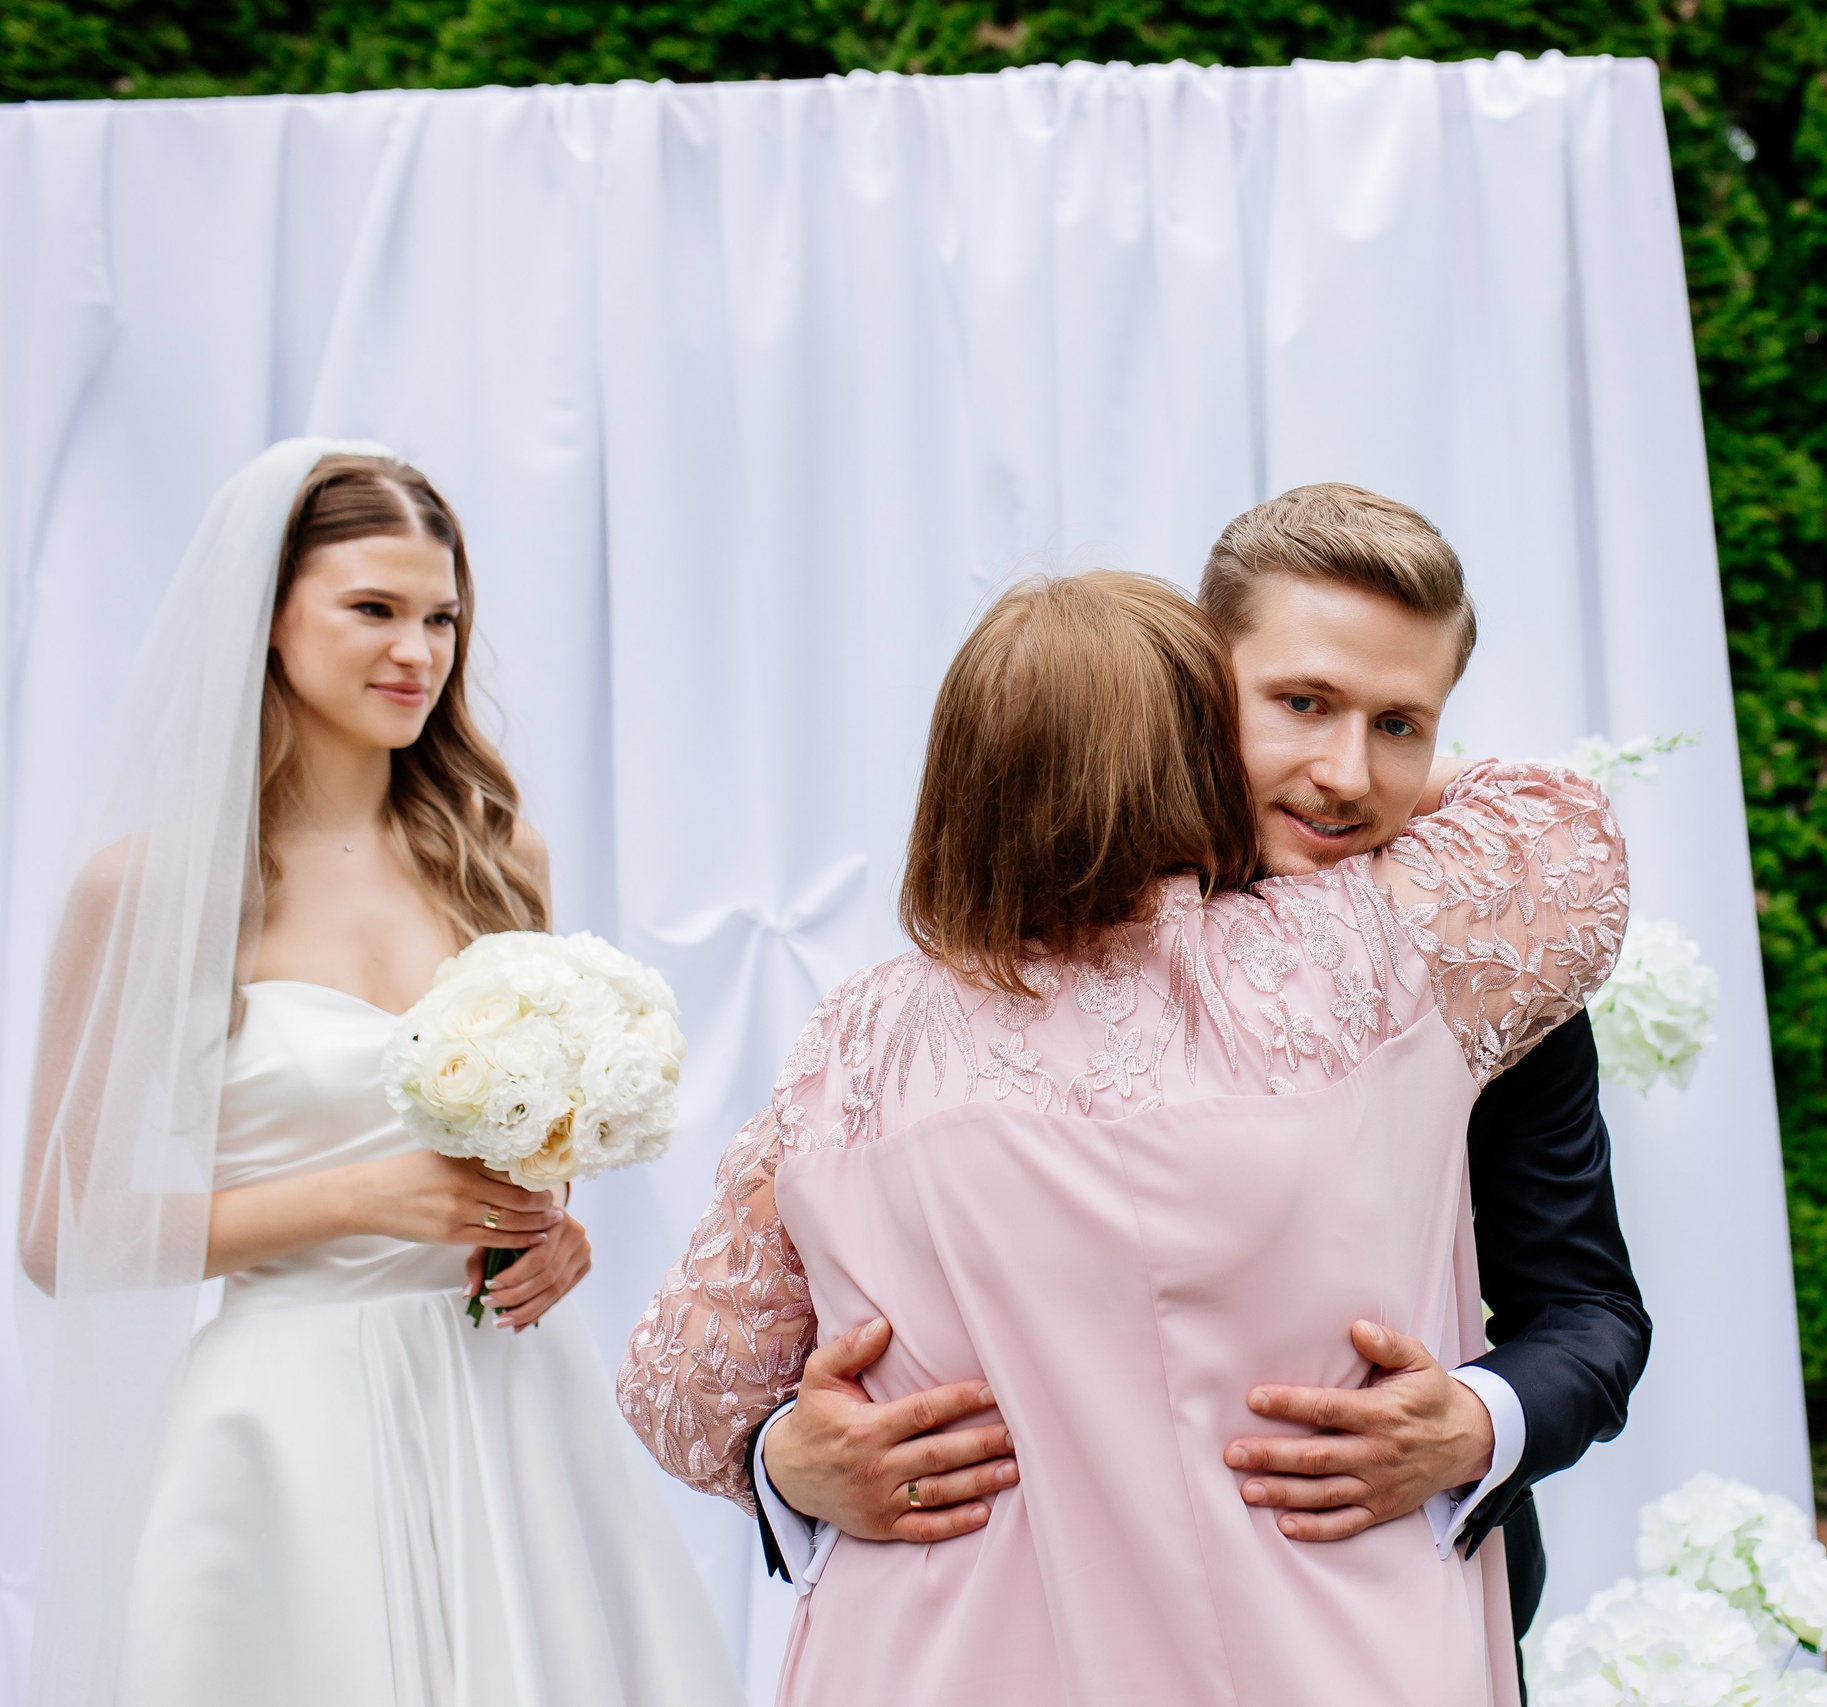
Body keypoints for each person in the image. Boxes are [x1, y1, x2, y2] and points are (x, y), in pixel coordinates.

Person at [618, 569, 1628, 1705]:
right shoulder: (1387, 951)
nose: (1343, 773)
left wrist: (774, 1454)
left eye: (1393, 724)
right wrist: (791, 1463)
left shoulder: (849, 1048)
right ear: (1203, 734)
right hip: (1327, 1646)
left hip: (935, 1660)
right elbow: (1565, 829)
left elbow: (681, 1383)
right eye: (1299, 706)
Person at [16, 440, 743, 1707]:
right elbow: (57, 1234)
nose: (418, 651)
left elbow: (525, 1148)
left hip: (506, 1406)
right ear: (268, 615)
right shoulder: (147, 887)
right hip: (286, 1426)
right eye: (373, 610)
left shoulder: (498, 858)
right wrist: (357, 1199)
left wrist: (549, 1231)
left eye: (441, 617)